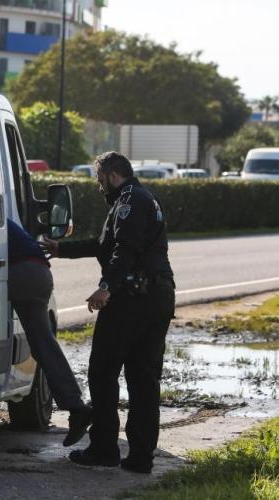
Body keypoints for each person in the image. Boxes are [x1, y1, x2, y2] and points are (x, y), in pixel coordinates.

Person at [42, 151, 175, 473]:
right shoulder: (143, 197)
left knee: (102, 371)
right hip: (157, 295)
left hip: (132, 298)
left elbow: (124, 250)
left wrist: (106, 287)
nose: (99, 186)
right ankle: (141, 457)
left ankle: (103, 448)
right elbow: (106, 245)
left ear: (114, 176)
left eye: (100, 179)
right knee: (144, 379)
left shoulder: (128, 201)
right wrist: (62, 249)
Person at [7, 217, 92, 447]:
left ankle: (76, 407)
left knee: (43, 345)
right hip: (37, 272)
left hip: (24, 273)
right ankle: (76, 407)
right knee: (43, 345)